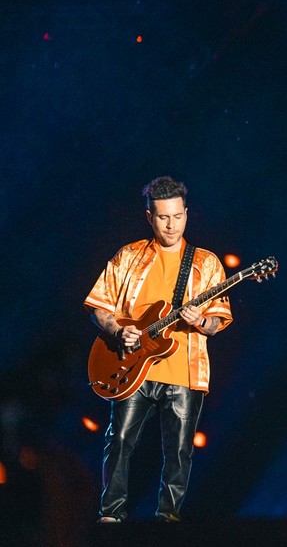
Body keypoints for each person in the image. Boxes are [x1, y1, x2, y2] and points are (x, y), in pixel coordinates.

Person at [85, 176, 232, 522]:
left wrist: (200, 321)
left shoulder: (206, 263)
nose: (171, 225)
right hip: (132, 367)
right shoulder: (129, 256)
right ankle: (111, 515)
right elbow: (98, 307)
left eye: (178, 217)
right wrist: (118, 329)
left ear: (186, 214)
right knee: (119, 440)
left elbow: (218, 322)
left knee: (179, 451)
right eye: (163, 217)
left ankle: (168, 520)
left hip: (184, 370)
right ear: (150, 217)